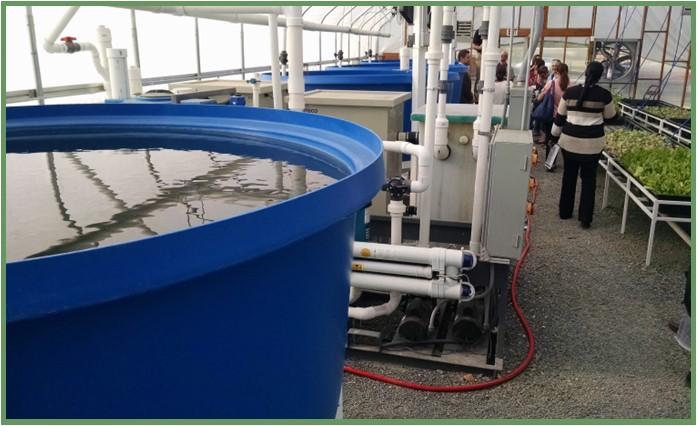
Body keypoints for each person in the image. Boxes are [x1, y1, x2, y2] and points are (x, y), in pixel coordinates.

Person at [550, 61, 616, 229]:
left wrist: (554, 136)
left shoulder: (570, 92)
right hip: (592, 146)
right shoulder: (604, 95)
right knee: (588, 181)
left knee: (569, 178)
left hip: (570, 143)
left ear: (586, 73)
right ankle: (585, 218)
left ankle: (565, 212)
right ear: (600, 76)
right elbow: (611, 116)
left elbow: (559, 118)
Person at [537, 62, 569, 148]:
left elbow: (540, 98)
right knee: (560, 140)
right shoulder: (571, 85)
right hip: (566, 117)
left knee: (550, 140)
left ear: (557, 72)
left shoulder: (552, 83)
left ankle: (550, 159)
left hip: (552, 115)